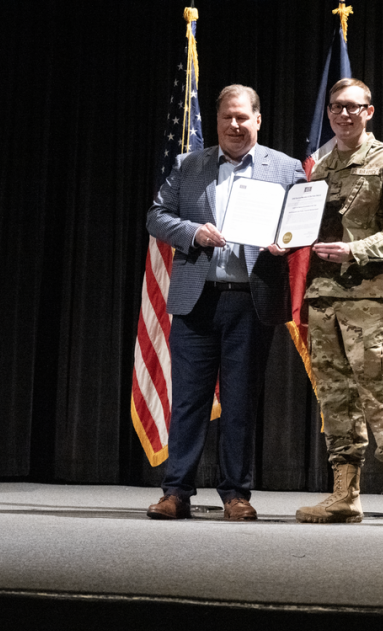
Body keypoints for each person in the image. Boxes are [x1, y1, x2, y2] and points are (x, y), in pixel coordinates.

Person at [146, 84, 305, 521]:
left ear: (258, 119)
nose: (234, 125)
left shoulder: (287, 169)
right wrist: (193, 233)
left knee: (240, 402)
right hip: (197, 299)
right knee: (190, 401)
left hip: (251, 302)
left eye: (242, 117)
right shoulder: (189, 164)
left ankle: (236, 494)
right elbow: (156, 216)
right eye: (226, 118)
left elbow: (306, 222)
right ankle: (176, 491)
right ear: (216, 123)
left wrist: (286, 243)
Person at [296, 78, 383, 528]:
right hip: (323, 296)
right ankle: (344, 495)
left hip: (369, 296)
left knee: (379, 394)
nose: (343, 114)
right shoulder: (319, 166)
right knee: (335, 398)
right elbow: (302, 224)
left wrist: (357, 250)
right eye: (335, 107)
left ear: (369, 111)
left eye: (352, 107)